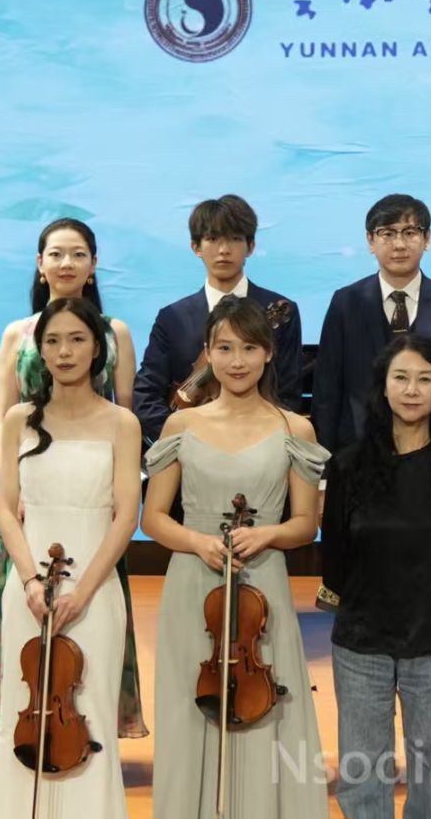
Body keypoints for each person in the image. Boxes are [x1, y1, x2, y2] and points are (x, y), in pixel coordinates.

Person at [143, 296, 331, 818]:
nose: (237, 360)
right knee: (189, 705)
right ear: (207, 354)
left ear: (269, 353)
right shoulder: (181, 426)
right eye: (224, 348)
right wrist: (197, 541)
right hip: (192, 581)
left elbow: (306, 524)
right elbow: (153, 518)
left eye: (249, 348)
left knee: (263, 703)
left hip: (261, 585)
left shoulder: (295, 429)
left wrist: (267, 533)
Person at [0, 218, 145, 740]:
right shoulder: (17, 334)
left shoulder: (116, 333)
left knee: (93, 627)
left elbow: (125, 411)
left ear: (93, 265)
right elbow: (3, 417)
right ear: (40, 264)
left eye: (78, 254)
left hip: (93, 491)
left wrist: (115, 492)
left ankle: (89, 732)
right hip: (34, 489)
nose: (66, 263)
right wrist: (16, 488)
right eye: (56, 253)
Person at [320, 335, 431, 818]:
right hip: (361, 641)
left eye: (424, 379)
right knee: (362, 772)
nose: (412, 390)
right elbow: (335, 553)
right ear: (383, 387)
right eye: (401, 378)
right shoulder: (349, 464)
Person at [312, 194, 431, 455]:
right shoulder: (346, 303)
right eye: (387, 233)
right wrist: (326, 466)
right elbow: (326, 393)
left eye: (410, 233)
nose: (399, 244)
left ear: (427, 239)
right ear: (370, 241)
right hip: (359, 456)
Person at [134, 195, 304, 448]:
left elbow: (287, 394)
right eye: (213, 239)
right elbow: (146, 395)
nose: (224, 250)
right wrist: (182, 443)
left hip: (261, 449)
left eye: (235, 239)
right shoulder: (172, 318)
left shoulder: (280, 310)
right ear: (196, 247)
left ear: (251, 246)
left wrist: (253, 444)